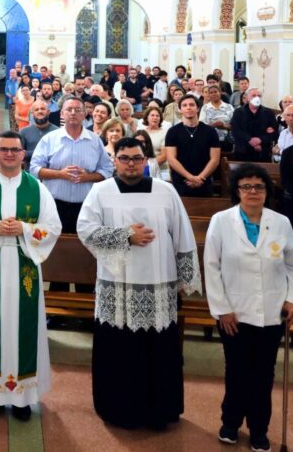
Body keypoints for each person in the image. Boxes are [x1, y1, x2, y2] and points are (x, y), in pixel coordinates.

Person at [77, 137, 202, 430]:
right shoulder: (101, 191)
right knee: (120, 353)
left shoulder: (165, 191)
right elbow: (85, 230)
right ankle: (117, 409)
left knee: (158, 352)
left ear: (146, 160)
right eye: (124, 158)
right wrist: (124, 236)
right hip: (117, 286)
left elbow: (182, 233)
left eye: (136, 158)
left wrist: (186, 278)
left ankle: (160, 411)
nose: (131, 163)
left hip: (159, 283)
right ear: (115, 161)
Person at [0, 131, 61, 421]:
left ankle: (22, 399)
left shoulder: (37, 189)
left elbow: (53, 226)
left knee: (24, 327)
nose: (9, 154)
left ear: (23, 154)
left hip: (25, 263)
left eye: (15, 150)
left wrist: (25, 230)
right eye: (3, 149)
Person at [204, 163, 293, 451]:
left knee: (263, 374)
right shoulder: (221, 221)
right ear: (237, 191)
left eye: (258, 186)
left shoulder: (281, 222)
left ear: (266, 190)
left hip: (272, 313)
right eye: (246, 186)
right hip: (233, 313)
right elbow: (211, 267)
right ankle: (230, 423)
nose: (252, 192)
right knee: (236, 371)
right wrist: (221, 309)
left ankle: (259, 429)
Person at [30, 95, 113, 234]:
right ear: (62, 113)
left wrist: (88, 177)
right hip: (54, 205)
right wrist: (60, 174)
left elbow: (107, 169)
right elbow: (34, 169)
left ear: (85, 113)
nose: (73, 113)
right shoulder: (50, 139)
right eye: (69, 109)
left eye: (77, 109)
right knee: (54, 246)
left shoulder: (94, 140)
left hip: (86, 206)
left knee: (84, 247)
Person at [165, 94, 222, 197]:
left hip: (204, 181)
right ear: (180, 109)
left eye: (192, 105)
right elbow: (171, 159)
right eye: (184, 105)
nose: (188, 107)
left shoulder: (210, 131)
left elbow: (215, 159)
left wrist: (200, 178)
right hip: (181, 182)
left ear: (198, 108)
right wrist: (191, 177)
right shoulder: (173, 132)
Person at [230, 88, 279, 162]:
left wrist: (260, 140)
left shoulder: (268, 113)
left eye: (259, 96)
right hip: (242, 152)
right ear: (247, 97)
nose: (257, 98)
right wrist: (249, 140)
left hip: (263, 152)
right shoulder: (238, 112)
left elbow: (274, 132)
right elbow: (235, 130)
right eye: (253, 95)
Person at [141, 106, 169, 180]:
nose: (155, 118)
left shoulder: (165, 133)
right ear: (147, 117)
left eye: (157, 116)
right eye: (152, 115)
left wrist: (148, 166)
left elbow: (164, 156)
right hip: (142, 168)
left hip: (161, 170)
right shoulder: (141, 132)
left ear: (160, 119)